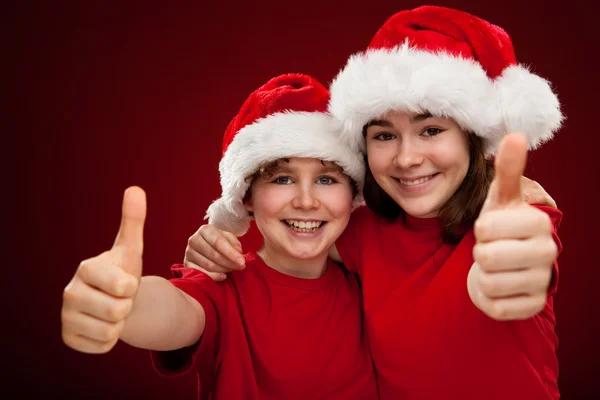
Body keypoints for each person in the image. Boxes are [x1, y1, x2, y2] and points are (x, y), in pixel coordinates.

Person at [182, 6, 564, 400]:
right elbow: (292, 235)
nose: (406, 158)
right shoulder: (361, 233)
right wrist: (212, 243)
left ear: (474, 137)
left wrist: (511, 269)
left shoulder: (514, 213)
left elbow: (521, 259)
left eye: (431, 130)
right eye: (384, 136)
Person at [61, 74, 379, 399]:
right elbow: (177, 310)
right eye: (282, 180)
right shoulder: (223, 288)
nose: (307, 201)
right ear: (246, 197)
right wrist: (124, 304)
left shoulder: (368, 284)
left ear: (353, 194)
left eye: (327, 180)